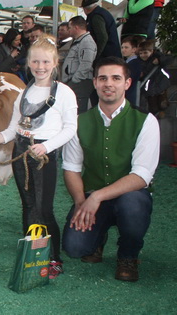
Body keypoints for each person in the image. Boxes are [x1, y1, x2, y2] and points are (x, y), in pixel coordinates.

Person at [0, 34, 78, 279]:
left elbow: (70, 128)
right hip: (21, 151)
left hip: (43, 156)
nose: (40, 67)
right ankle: (32, 254)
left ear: (55, 63)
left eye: (45, 62)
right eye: (36, 62)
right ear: (29, 63)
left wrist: (47, 147)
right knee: (28, 206)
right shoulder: (24, 93)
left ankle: (54, 258)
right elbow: (11, 130)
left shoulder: (65, 93)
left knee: (45, 209)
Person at [61, 56, 159, 282]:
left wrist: (97, 196)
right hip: (92, 196)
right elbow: (71, 168)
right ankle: (98, 239)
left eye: (116, 78)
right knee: (75, 248)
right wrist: (80, 202)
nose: (108, 84)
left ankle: (128, 255)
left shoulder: (146, 121)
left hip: (130, 196)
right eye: (103, 78)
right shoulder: (79, 122)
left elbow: (142, 175)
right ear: (95, 82)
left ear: (127, 83)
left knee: (133, 205)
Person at [62, 16, 97, 114]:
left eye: (69, 28)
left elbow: (86, 64)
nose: (69, 30)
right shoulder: (79, 40)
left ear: (76, 28)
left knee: (79, 111)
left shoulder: (87, 42)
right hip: (76, 81)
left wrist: (75, 80)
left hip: (81, 83)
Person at [137, 39, 173, 116]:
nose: (143, 55)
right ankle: (155, 114)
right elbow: (144, 71)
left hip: (161, 82)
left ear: (152, 51)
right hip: (149, 86)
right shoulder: (139, 62)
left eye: (145, 53)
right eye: (141, 53)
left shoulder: (157, 56)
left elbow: (169, 59)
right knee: (152, 103)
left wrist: (159, 60)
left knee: (161, 100)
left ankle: (162, 109)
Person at [121, 36, 144, 104]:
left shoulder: (134, 63)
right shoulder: (129, 62)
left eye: (126, 47)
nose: (123, 50)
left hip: (130, 95)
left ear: (134, 49)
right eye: (122, 47)